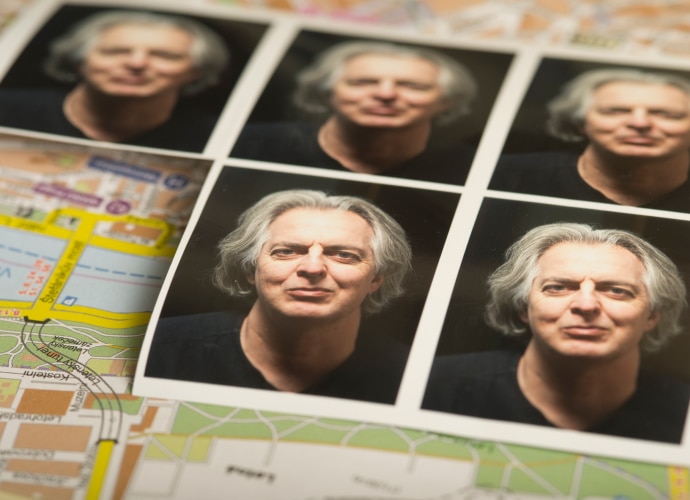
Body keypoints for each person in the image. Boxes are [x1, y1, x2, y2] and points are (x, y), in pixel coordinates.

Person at [423, 222, 690, 443]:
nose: (586, 305)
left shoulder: (683, 412)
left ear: (653, 314)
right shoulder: (431, 387)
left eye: (617, 291)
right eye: (558, 287)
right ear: (523, 306)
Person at [145, 189, 413, 403]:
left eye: (343, 255)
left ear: (376, 278)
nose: (312, 268)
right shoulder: (155, 347)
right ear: (250, 267)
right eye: (286, 251)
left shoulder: (412, 375)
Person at [231, 41, 478, 184]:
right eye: (362, 82)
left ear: (446, 100)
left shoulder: (473, 170)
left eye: (412, 85)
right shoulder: (247, 143)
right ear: (327, 92)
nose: (386, 94)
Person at [0, 10, 230, 151]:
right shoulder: (7, 108)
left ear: (195, 72)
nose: (137, 64)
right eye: (115, 51)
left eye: (164, 55)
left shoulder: (220, 138)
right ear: (79, 61)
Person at [492, 68, 690, 212]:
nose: (640, 123)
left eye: (666, 114)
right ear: (579, 122)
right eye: (615, 111)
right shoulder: (506, 175)